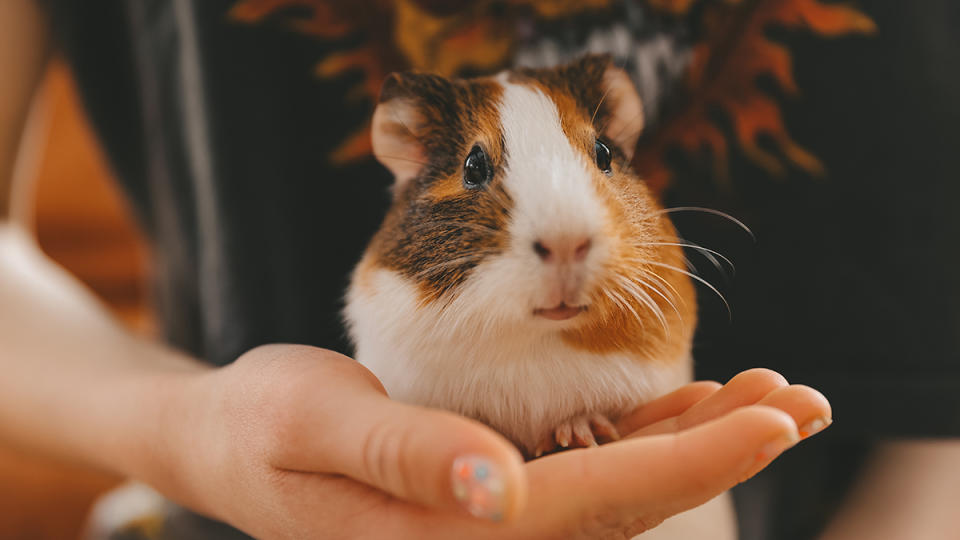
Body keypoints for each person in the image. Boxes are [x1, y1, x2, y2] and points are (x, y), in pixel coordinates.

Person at [0, 1, 953, 539]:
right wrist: (192, 432)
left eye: (600, 161)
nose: (568, 235)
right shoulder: (393, 275)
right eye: (481, 172)